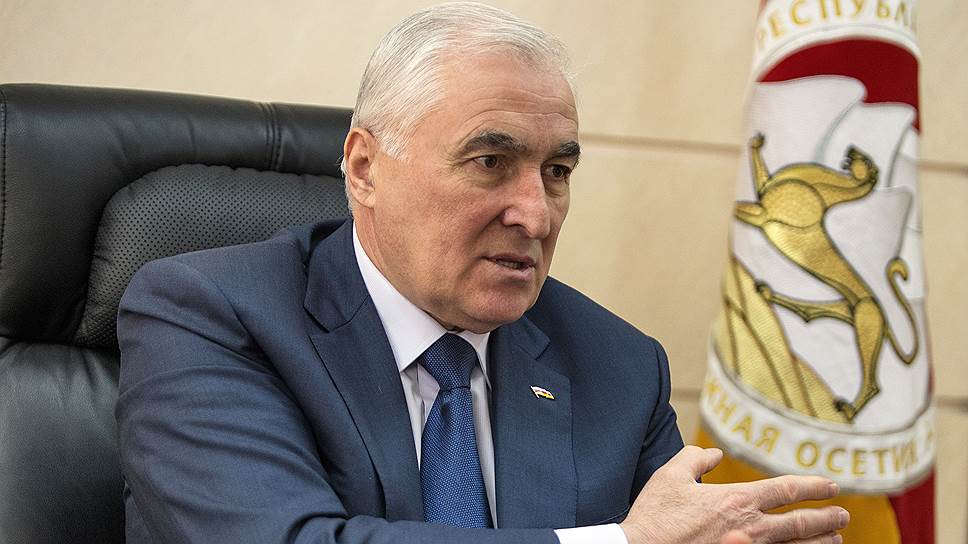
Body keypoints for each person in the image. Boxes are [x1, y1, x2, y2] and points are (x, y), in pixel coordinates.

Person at [116, 3, 850, 543]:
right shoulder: (208, 315)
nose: (536, 216)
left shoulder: (619, 368)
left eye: (557, 171)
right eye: (490, 162)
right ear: (365, 168)